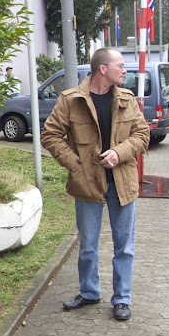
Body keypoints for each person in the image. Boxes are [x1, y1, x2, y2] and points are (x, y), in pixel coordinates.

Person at [40, 47, 150, 321]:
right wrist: (76, 165)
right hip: (87, 183)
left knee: (124, 245)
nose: (125, 70)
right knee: (88, 244)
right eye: (120, 65)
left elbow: (143, 135)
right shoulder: (71, 99)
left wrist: (119, 152)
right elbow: (50, 136)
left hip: (122, 183)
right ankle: (89, 292)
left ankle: (121, 299)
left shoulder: (126, 99)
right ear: (103, 68)